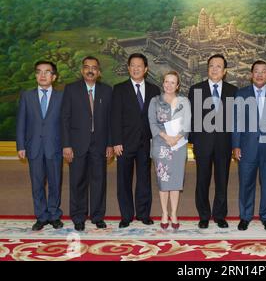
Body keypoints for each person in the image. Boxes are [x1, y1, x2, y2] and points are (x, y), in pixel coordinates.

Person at [61, 56, 113, 231]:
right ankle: (78, 217)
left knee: (99, 181)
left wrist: (110, 144)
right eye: (87, 67)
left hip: (100, 144)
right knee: (77, 181)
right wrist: (66, 145)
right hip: (76, 145)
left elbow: (110, 121)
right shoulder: (71, 89)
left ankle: (98, 216)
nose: (90, 70)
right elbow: (64, 119)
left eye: (94, 68)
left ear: (99, 72)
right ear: (82, 70)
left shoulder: (107, 91)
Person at [232, 60, 266, 232]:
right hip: (247, 147)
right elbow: (237, 122)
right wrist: (236, 145)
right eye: (256, 71)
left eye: (263, 71)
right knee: (246, 183)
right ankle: (245, 216)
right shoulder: (241, 94)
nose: (260, 74)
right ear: (251, 74)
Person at [188, 54, 238, 229]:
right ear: (207, 68)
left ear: (224, 71)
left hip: (224, 144)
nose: (215, 69)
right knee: (202, 180)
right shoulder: (196, 89)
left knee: (222, 181)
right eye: (211, 66)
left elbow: (235, 120)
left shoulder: (233, 91)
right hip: (203, 144)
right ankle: (203, 215)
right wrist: (193, 142)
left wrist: (235, 143)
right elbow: (192, 119)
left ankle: (219, 215)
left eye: (219, 66)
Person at [111, 53, 160, 228]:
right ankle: (126, 215)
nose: (136, 68)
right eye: (133, 65)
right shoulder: (119, 89)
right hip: (124, 143)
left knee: (144, 179)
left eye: (139, 65)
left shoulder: (154, 90)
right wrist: (116, 141)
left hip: (146, 143)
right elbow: (114, 117)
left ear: (146, 69)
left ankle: (143, 214)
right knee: (123, 180)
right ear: (128, 68)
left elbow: (157, 118)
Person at [16, 61, 64, 231]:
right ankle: (41, 216)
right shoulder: (27, 96)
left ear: (54, 76)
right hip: (34, 147)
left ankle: (54, 214)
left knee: (55, 182)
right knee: (37, 183)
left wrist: (67, 146)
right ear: (35, 75)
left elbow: (65, 124)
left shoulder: (61, 97)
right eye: (39, 72)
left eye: (47, 72)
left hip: (54, 147)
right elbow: (21, 122)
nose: (43, 75)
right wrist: (21, 145)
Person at [148, 71, 191, 230]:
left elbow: (187, 123)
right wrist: (167, 138)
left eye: (173, 82)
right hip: (161, 145)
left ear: (178, 85)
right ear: (163, 83)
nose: (169, 85)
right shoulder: (155, 101)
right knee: (163, 180)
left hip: (179, 145)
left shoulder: (184, 101)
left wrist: (176, 138)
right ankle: (164, 213)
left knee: (176, 181)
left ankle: (174, 213)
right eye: (167, 81)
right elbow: (152, 123)